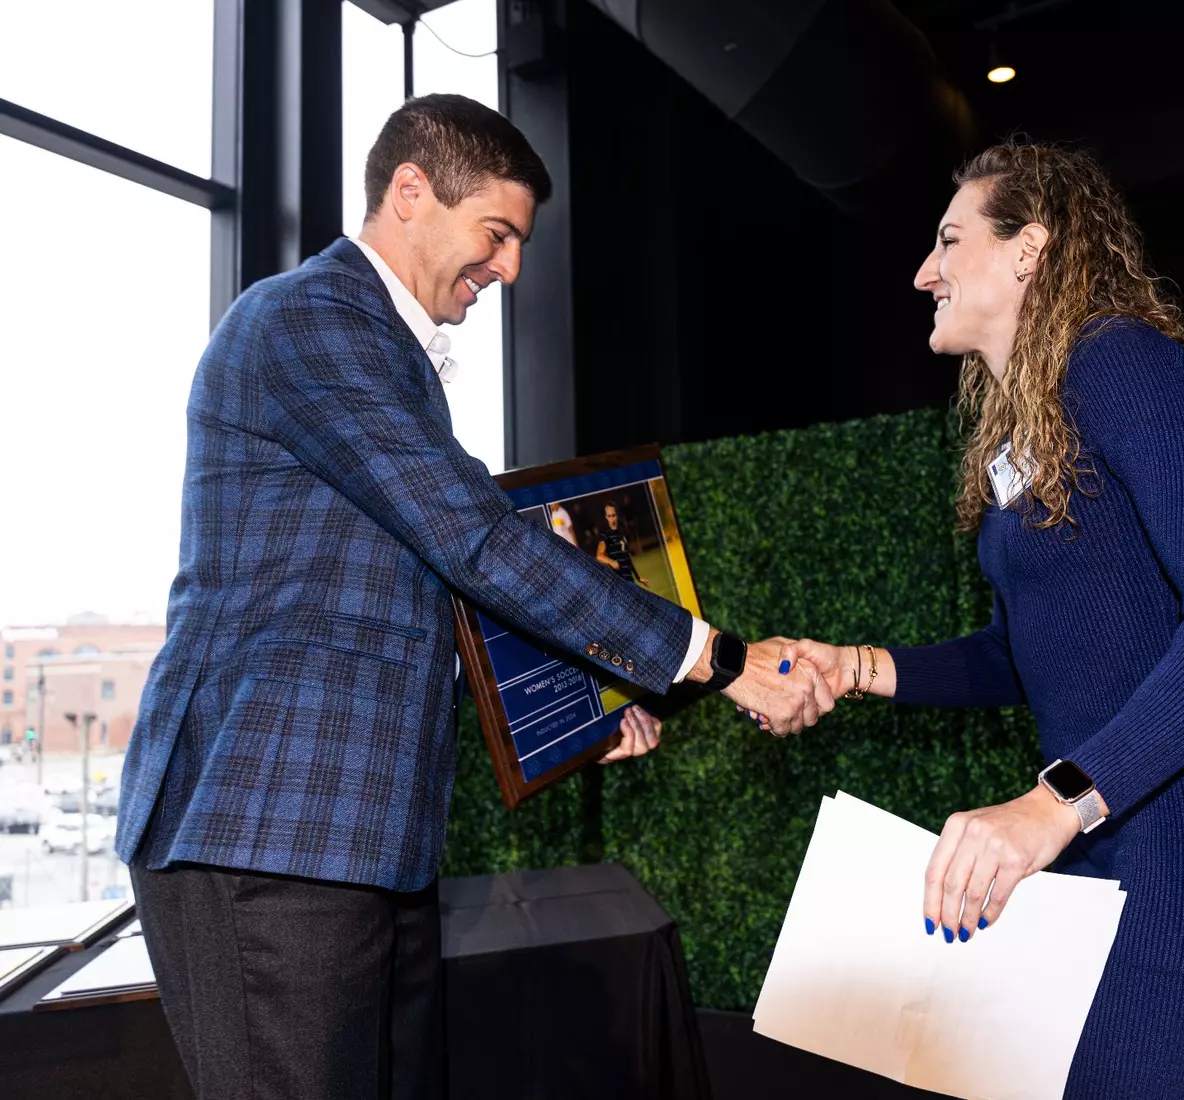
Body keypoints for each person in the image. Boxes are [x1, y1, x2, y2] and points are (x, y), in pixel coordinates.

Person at [114, 94, 826, 1100]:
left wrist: (584, 702)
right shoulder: (310, 317)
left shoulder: (386, 352)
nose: (512, 267)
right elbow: (475, 537)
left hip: (361, 841)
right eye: (497, 233)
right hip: (267, 828)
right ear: (412, 192)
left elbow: (395, 599)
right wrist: (718, 659)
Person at [781, 143, 1184, 1098]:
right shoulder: (1024, 431)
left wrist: (1050, 805)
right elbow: (1024, 653)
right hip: (1111, 834)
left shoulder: (1121, 363)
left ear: (1030, 248)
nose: (924, 272)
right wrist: (857, 666)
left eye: (950, 241)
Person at [594, 502, 648, 586]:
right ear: (606, 517)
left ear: (617, 515)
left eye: (614, 515)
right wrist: (611, 562)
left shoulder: (623, 533)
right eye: (609, 516)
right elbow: (599, 555)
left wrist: (638, 577)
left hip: (630, 579)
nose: (612, 518)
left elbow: (627, 557)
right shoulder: (605, 535)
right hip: (619, 581)